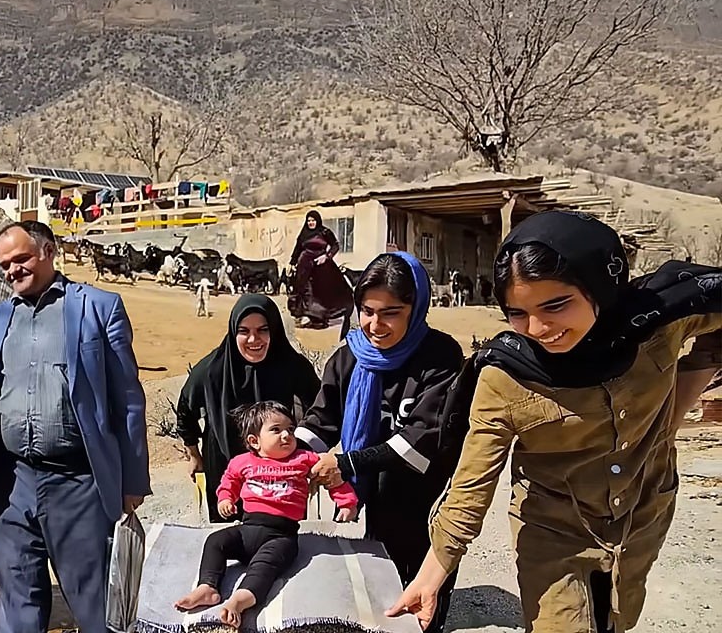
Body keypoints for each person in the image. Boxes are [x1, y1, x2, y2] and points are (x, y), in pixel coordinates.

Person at [387, 211, 722, 632]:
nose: (539, 328)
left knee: (618, 620)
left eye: (556, 305)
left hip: (644, 514)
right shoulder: (505, 376)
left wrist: (681, 398)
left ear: (599, 286)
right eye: (518, 312)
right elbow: (472, 484)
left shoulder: (656, 325)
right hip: (554, 531)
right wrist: (431, 575)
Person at [0, 220, 150, 633]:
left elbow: (128, 399)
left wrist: (132, 480)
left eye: (21, 259)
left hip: (78, 483)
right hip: (9, 484)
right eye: (4, 265)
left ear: (49, 251)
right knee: (17, 605)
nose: (12, 270)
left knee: (94, 608)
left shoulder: (98, 307)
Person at [297, 251, 467, 633]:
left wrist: (347, 464)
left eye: (391, 312)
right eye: (367, 310)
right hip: (379, 499)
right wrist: (291, 458)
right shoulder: (349, 357)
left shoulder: (441, 357)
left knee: (424, 605)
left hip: (428, 501)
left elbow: (423, 437)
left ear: (415, 306)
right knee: (382, 593)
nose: (375, 324)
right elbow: (322, 419)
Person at [174, 401, 359, 626]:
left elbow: (332, 477)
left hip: (281, 536)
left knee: (264, 567)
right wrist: (225, 498)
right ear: (254, 441)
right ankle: (208, 587)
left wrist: (347, 502)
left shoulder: (304, 459)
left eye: (290, 429)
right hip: (246, 530)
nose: (286, 435)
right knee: (215, 541)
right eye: (276, 430)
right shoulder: (241, 462)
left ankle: (240, 600)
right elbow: (229, 481)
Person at [177, 294, 322, 523]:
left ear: (273, 330)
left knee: (281, 539)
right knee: (231, 541)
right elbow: (186, 409)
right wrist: (193, 454)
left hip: (282, 473)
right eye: (244, 331)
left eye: (262, 330)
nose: (254, 339)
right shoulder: (211, 370)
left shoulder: (293, 367)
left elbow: (321, 409)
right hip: (226, 470)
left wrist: (305, 451)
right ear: (234, 332)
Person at [287, 210, 353, 331]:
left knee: (321, 292)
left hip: (321, 267)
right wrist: (292, 263)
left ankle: (320, 317)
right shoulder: (303, 233)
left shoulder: (325, 232)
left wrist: (326, 257)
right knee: (306, 291)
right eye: (309, 221)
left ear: (317, 221)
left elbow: (335, 245)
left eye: (313, 220)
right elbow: (297, 248)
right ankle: (311, 317)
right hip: (304, 267)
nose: (311, 223)